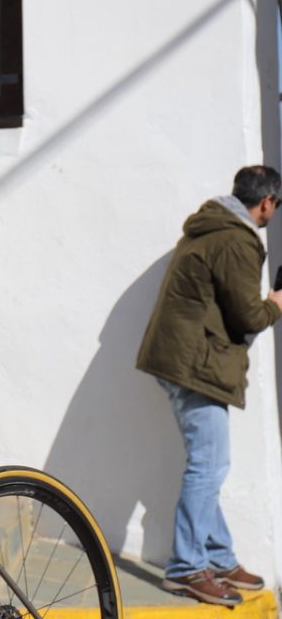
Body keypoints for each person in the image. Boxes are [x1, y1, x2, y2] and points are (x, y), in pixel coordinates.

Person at [137, 165, 282, 606]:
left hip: (179, 359)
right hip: (195, 364)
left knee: (209, 463)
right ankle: (185, 568)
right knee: (209, 465)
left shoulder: (209, 227)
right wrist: (275, 304)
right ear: (266, 202)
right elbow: (248, 316)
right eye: (276, 205)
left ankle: (218, 557)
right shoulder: (237, 240)